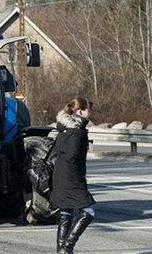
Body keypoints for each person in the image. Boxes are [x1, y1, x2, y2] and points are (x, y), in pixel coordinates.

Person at [50, 97, 95, 254]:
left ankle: (61, 250)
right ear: (81, 111)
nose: (91, 113)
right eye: (89, 109)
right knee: (88, 211)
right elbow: (72, 156)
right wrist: (78, 177)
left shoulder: (63, 129)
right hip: (72, 178)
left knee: (66, 210)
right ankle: (67, 248)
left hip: (60, 175)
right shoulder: (78, 132)